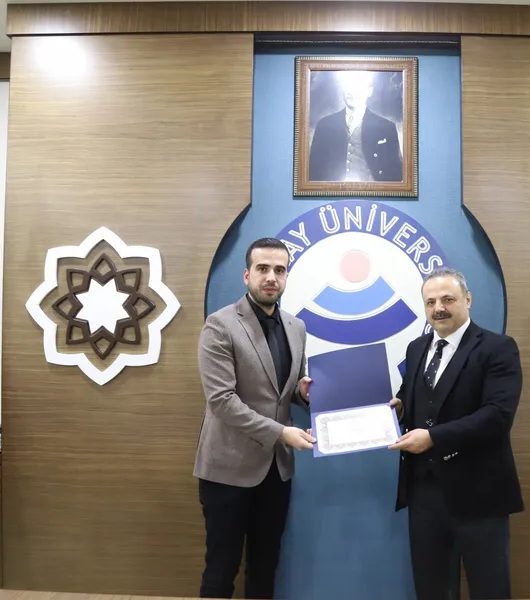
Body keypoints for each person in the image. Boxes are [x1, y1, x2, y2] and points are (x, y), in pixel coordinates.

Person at [389, 267, 524, 600]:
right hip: (423, 492)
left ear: (468, 299)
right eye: (430, 302)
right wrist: (399, 408)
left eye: (447, 299)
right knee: (432, 588)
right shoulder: (416, 348)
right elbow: (414, 398)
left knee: (490, 589)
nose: (439, 308)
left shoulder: (498, 348)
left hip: (480, 493)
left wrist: (433, 438)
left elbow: (497, 416)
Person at [193, 237, 315, 599]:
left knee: (265, 564)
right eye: (263, 269)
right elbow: (222, 401)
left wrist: (303, 393)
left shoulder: (296, 327)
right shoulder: (220, 325)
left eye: (279, 270)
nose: (271, 277)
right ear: (247, 275)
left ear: (286, 276)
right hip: (227, 470)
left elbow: (285, 390)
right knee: (221, 568)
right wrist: (282, 433)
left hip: (277, 471)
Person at [308, 70, 403, 183]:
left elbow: (395, 172)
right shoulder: (324, 125)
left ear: (369, 91)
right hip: (333, 190)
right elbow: (313, 170)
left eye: (358, 88)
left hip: (374, 191)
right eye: (348, 88)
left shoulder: (387, 127)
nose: (352, 93)